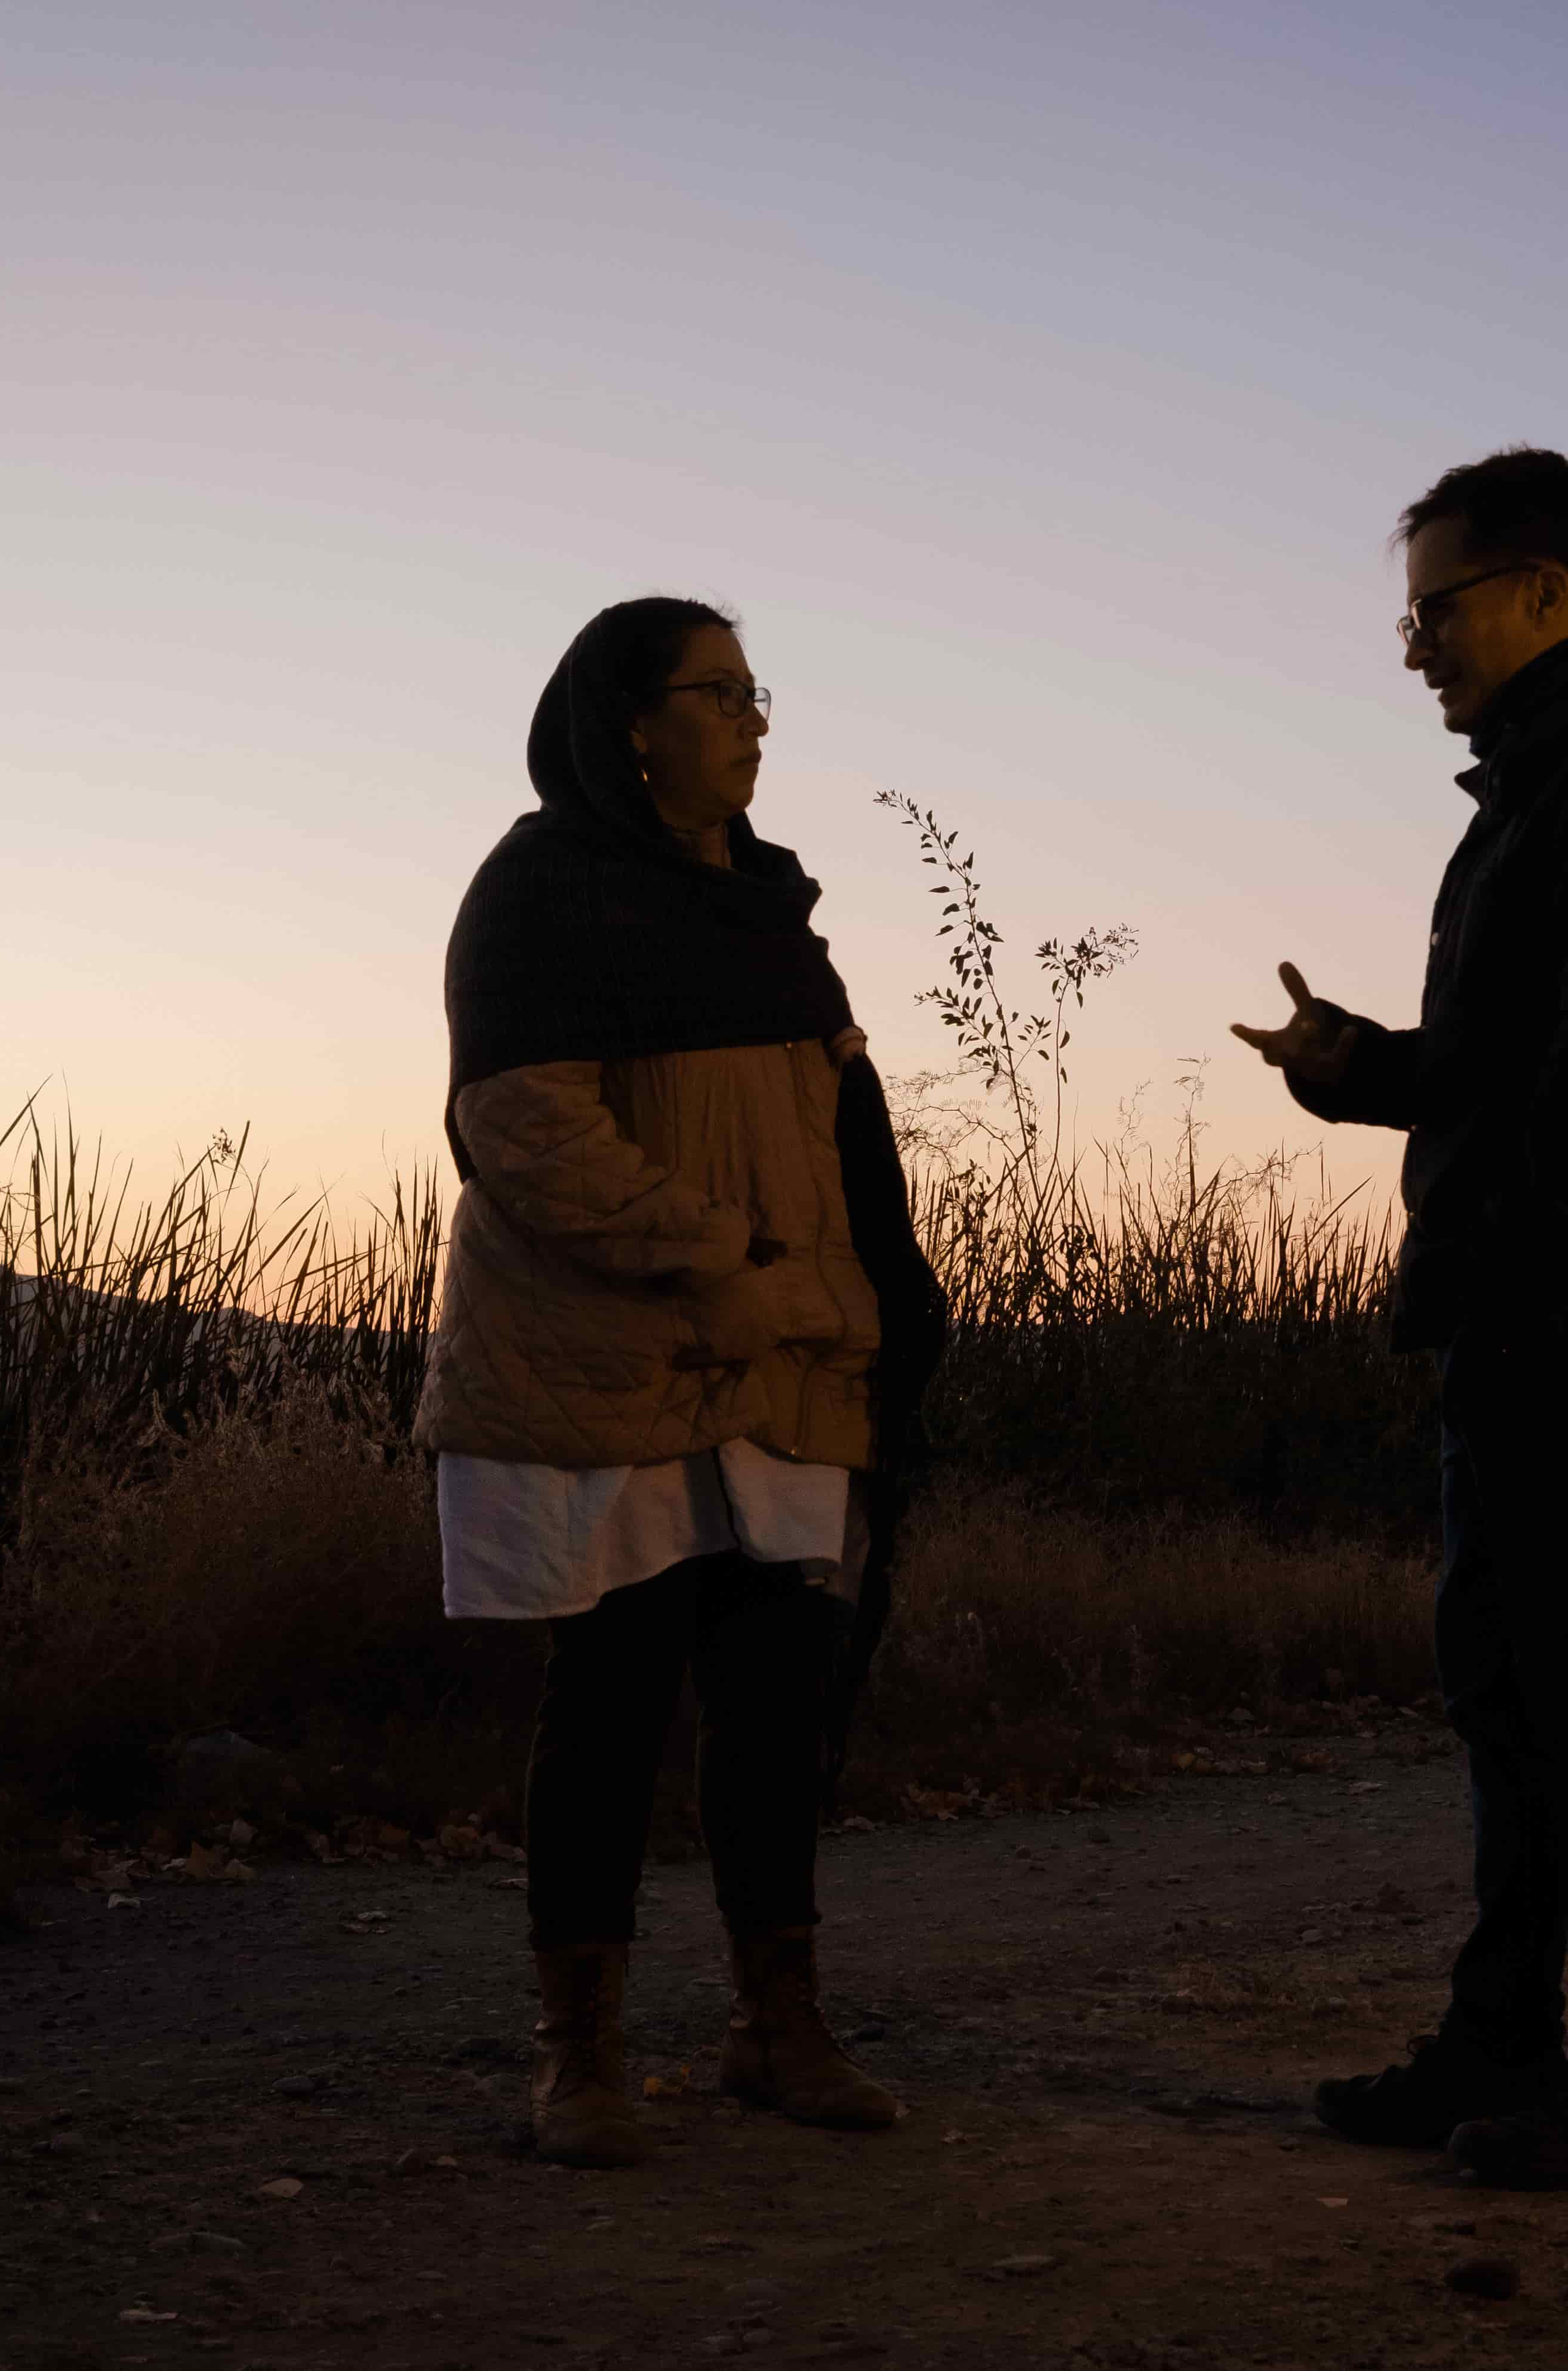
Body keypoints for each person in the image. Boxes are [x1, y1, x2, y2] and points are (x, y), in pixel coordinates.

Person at [1232, 448, 1568, 2190]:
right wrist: (1354, 1066)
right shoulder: (1530, 799)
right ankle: (1502, 2040)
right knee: (1511, 1699)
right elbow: (1496, 1071)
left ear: (1547, 591)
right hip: (1517, 1311)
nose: (1413, 647)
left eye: (1435, 608)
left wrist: (1522, 1294)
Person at [419, 595, 945, 2171]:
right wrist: (724, 1262)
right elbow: (523, 1129)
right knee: (615, 1696)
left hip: (786, 1357)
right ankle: (577, 2055)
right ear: (632, 725)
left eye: (755, 690)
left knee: (778, 1699)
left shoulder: (767, 911)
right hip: (625, 1358)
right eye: (720, 692)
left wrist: (859, 1301)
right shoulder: (543, 891)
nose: (754, 718)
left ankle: (778, 2028)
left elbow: (829, 1136)